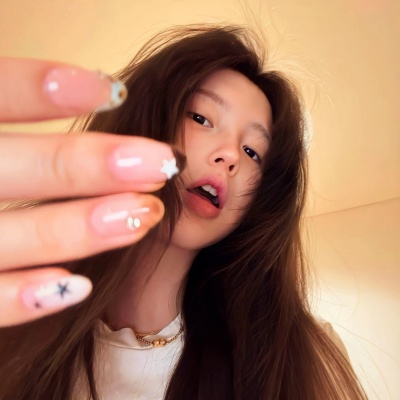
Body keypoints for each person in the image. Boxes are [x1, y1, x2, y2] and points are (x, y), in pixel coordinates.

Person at [0, 25, 366, 399]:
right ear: (144, 121)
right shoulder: (19, 312)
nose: (230, 156)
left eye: (253, 152)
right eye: (201, 118)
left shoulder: (297, 357)